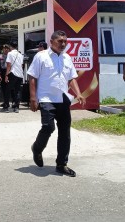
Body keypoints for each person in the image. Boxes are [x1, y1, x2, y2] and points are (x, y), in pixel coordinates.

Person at [27, 30, 86, 177]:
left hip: (63, 99)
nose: (63, 44)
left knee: (65, 132)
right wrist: (33, 98)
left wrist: (78, 93)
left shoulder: (66, 58)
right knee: (48, 127)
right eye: (60, 41)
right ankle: (37, 148)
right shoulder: (41, 56)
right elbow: (32, 77)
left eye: (65, 41)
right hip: (46, 98)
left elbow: (72, 78)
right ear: (52, 41)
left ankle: (61, 164)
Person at [4, 41, 24, 113]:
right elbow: (21, 65)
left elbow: (8, 65)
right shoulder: (20, 54)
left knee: (8, 90)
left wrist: (6, 75)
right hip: (20, 74)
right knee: (17, 91)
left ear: (10, 46)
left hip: (12, 73)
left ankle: (6, 107)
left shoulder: (10, 53)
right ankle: (16, 107)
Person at [0, 44, 11, 111]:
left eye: (7, 48)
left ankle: (7, 103)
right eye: (4, 48)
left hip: (8, 72)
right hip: (2, 72)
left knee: (8, 89)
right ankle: (5, 102)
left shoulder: (11, 56)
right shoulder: (0, 56)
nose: (5, 49)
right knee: (3, 89)